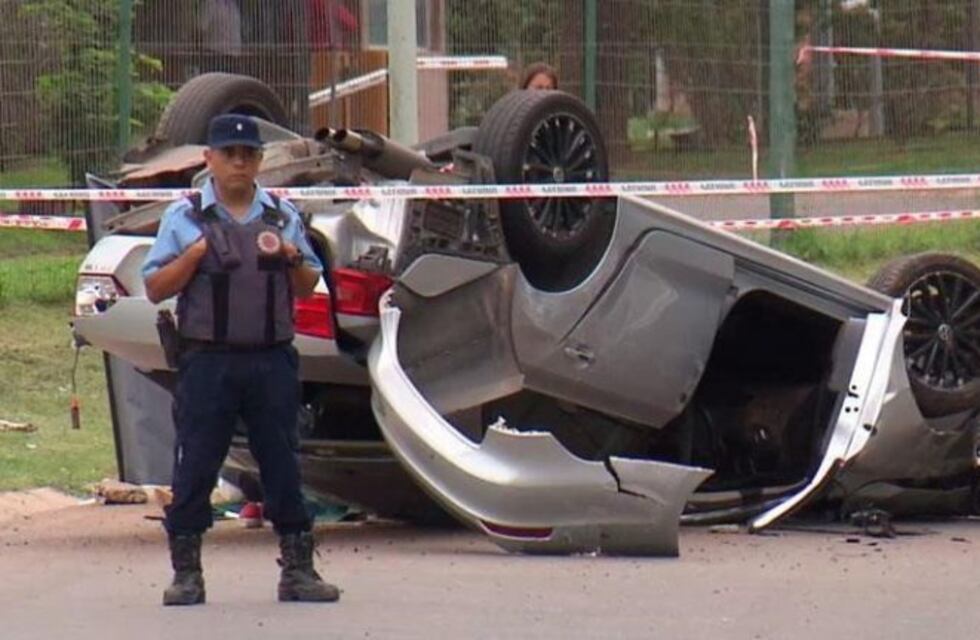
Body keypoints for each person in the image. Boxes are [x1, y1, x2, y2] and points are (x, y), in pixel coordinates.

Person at [142, 114, 339, 606]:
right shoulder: (185, 217)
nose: (238, 162)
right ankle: (187, 574)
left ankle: (298, 571)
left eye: (248, 154)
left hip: (271, 360)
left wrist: (292, 256)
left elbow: (308, 285)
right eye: (229, 154)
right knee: (196, 465)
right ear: (209, 159)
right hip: (207, 361)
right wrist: (196, 255)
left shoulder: (280, 215)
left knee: (282, 464)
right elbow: (154, 287)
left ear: (259, 161)